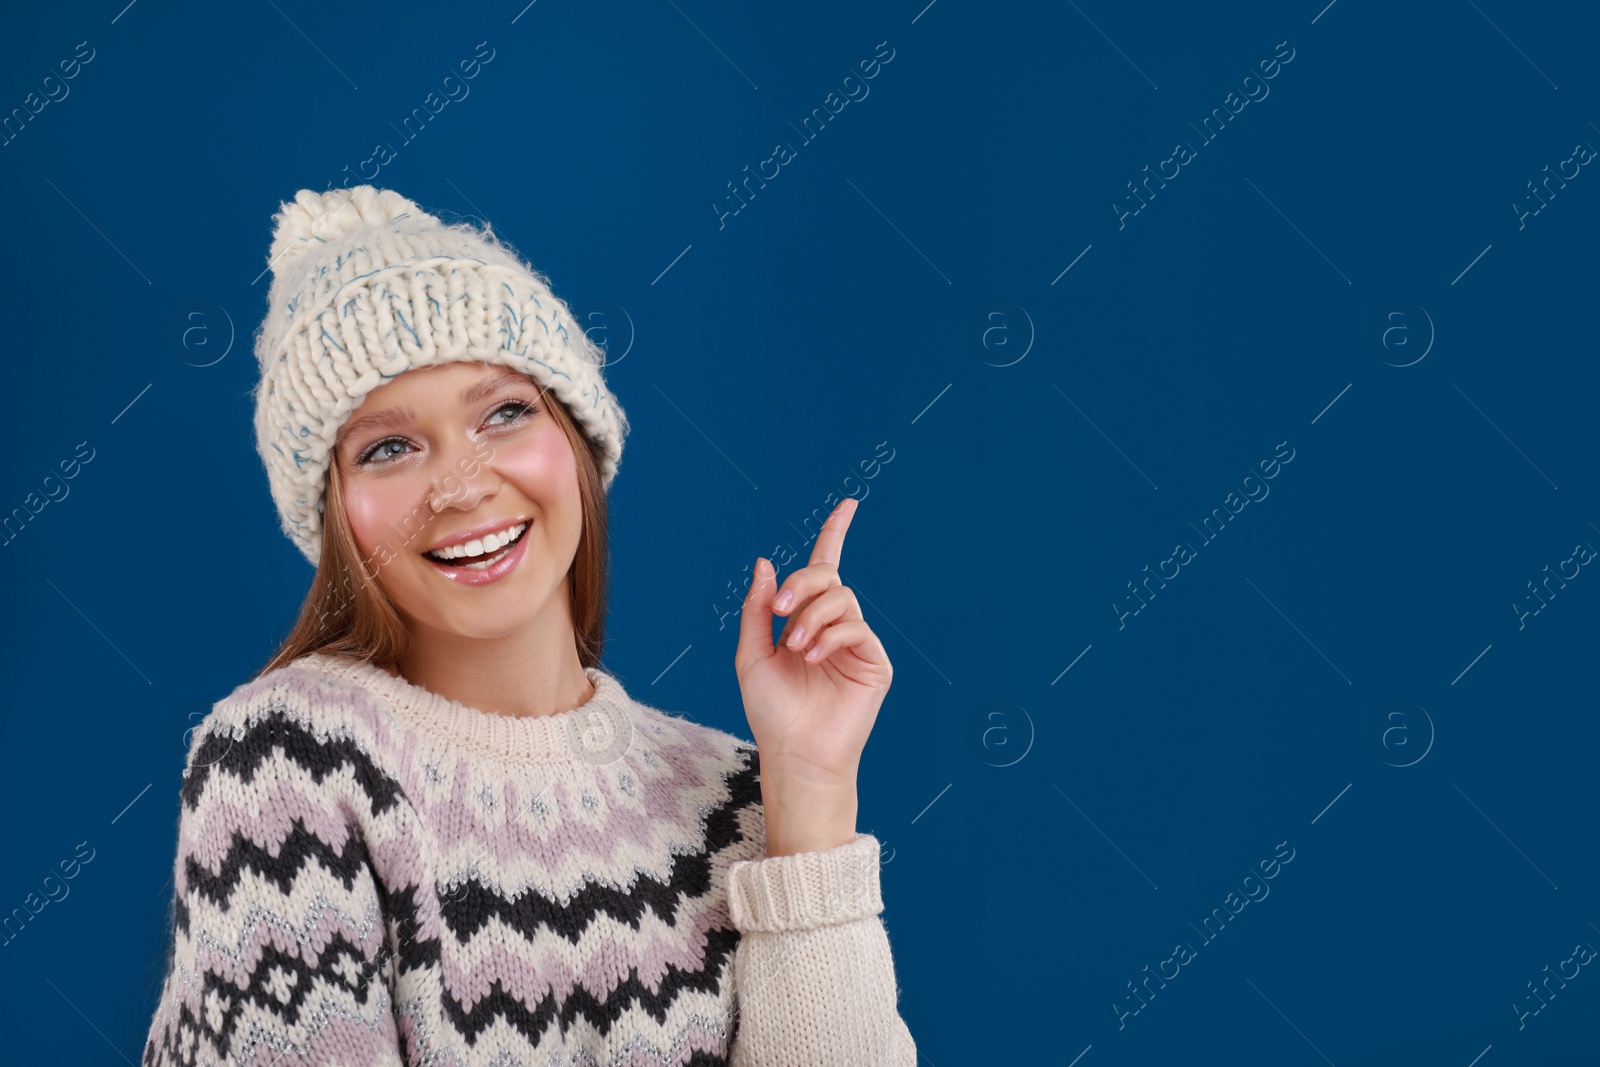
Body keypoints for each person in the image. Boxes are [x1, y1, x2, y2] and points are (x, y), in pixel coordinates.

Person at [140, 185, 916, 1066]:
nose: (461, 484)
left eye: (504, 412)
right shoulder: (285, 763)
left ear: (576, 440)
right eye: (387, 447)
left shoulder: (739, 798)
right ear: (335, 518)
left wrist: (809, 796)